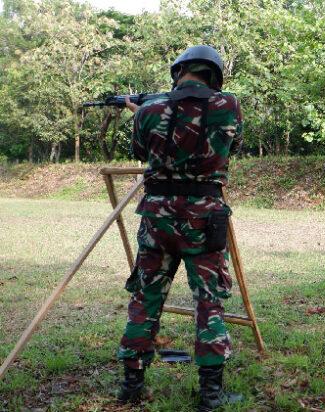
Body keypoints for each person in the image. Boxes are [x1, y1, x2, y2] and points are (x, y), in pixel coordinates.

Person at [116, 45, 243, 411]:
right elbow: (232, 145)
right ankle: (211, 393)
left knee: (145, 298)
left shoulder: (149, 111)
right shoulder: (228, 105)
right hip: (204, 219)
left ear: (179, 71)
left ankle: (131, 385)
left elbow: (142, 152)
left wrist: (142, 114)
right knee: (209, 302)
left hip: (156, 219)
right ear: (214, 74)